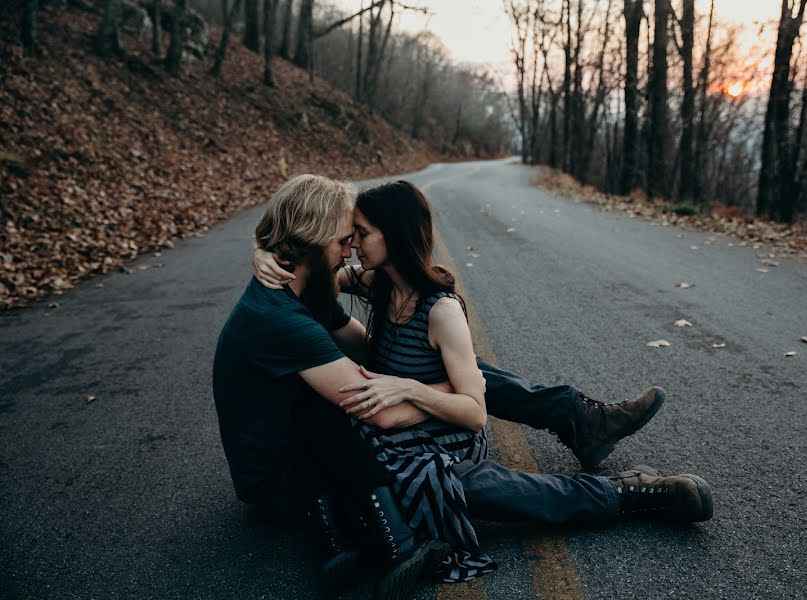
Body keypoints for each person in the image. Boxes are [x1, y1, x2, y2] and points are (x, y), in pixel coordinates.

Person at [250, 178, 715, 583]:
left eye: (362, 233)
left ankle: (630, 493)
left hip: (447, 435)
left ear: (392, 235)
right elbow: (318, 265)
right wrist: (264, 254)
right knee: (377, 459)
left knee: (477, 484)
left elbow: (474, 414)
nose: (351, 243)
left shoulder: (441, 309)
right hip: (405, 430)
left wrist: (411, 388)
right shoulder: (377, 283)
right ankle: (582, 421)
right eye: (349, 235)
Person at [213, 175, 451, 600]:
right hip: (281, 486)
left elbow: (366, 348)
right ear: (312, 241)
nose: (350, 253)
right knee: (346, 409)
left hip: (283, 468)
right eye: (343, 241)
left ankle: (336, 543)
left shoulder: (297, 290)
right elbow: (375, 405)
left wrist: (428, 353)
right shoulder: (281, 319)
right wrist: (450, 393)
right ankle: (399, 545)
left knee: (374, 379)